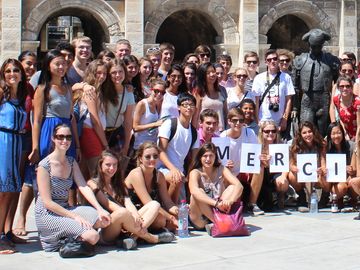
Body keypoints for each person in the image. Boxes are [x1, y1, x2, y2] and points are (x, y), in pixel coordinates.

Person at [35, 124, 110, 252]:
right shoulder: (44, 166)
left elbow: (83, 186)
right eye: (61, 137)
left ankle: (71, 234)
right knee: (93, 236)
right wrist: (74, 217)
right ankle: (60, 239)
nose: (65, 141)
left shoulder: (71, 161)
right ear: (53, 138)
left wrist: (99, 208)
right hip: (47, 214)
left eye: (68, 137)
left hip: (64, 208)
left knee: (103, 220)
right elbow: (47, 203)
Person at [88, 149, 175, 249]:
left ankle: (133, 237)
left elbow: (128, 203)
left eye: (115, 165)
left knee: (154, 204)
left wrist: (136, 215)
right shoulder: (93, 183)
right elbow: (109, 204)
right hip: (105, 228)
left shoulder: (119, 184)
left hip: (125, 225)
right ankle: (151, 238)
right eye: (108, 165)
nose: (112, 168)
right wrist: (132, 217)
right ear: (100, 165)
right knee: (122, 212)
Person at [29, 49, 80, 164]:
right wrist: (35, 147)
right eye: (57, 64)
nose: (61, 67)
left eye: (64, 64)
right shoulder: (42, 89)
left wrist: (77, 145)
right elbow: (36, 120)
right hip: (49, 131)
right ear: (48, 66)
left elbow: (72, 119)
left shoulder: (68, 88)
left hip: (67, 131)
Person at [0, 59, 28, 254]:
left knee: (11, 190)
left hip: (16, 143)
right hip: (3, 142)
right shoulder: (1, 94)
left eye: (16, 70)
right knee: (2, 191)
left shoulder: (21, 95)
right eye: (8, 71)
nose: (12, 74)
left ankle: (6, 231)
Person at [293, 28, 340, 137]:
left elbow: (337, 85)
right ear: (309, 45)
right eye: (313, 46)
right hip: (307, 98)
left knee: (322, 132)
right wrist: (295, 107)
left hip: (324, 98)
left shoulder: (331, 60)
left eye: (318, 46)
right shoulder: (300, 60)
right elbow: (295, 86)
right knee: (306, 129)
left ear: (322, 45)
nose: (316, 49)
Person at [125, 142, 179, 231]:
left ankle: (145, 232)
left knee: (174, 218)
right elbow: (148, 203)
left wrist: (178, 211)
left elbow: (167, 202)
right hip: (133, 213)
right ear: (140, 158)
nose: (152, 159)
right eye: (147, 157)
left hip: (149, 213)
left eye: (155, 156)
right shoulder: (136, 174)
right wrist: (171, 218)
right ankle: (136, 234)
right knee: (162, 219)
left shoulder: (159, 176)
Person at [188, 142, 243, 230]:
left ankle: (220, 222)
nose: (208, 159)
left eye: (211, 156)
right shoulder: (195, 172)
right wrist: (216, 204)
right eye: (205, 156)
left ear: (215, 157)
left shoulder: (221, 169)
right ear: (200, 158)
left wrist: (230, 201)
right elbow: (194, 191)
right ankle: (218, 222)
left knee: (232, 187)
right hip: (200, 217)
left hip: (218, 210)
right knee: (197, 193)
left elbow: (239, 186)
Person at [158, 93, 199, 202]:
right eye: (185, 105)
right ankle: (169, 211)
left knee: (183, 210)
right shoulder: (169, 124)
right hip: (162, 168)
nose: (188, 107)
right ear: (178, 107)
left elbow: (194, 158)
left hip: (180, 172)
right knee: (176, 180)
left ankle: (180, 218)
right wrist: (173, 169)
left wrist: (188, 174)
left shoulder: (194, 132)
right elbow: (160, 151)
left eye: (191, 105)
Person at [73, 59, 109, 178]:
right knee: (97, 173)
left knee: (85, 173)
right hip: (91, 133)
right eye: (99, 73)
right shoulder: (91, 91)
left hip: (90, 133)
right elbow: (94, 119)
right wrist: (105, 144)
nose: (102, 76)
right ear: (92, 73)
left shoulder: (95, 89)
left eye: (104, 73)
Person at [288, 121, 329, 212]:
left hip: (316, 174)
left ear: (313, 132)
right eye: (304, 133)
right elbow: (291, 163)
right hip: (302, 174)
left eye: (309, 131)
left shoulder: (321, 144)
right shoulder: (296, 145)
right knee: (291, 175)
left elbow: (323, 160)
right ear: (300, 134)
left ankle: (324, 198)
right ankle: (302, 197)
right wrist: (293, 168)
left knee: (325, 174)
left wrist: (322, 169)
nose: (307, 135)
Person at [250, 121, 289, 213]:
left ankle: (281, 196)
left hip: (275, 174)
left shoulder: (281, 145)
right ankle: (252, 203)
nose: (270, 133)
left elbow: (286, 165)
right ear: (262, 132)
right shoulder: (256, 146)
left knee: (283, 182)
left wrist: (283, 176)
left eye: (273, 131)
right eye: (267, 131)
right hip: (261, 176)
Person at [253, 49, 295, 133]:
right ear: (266, 62)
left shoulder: (286, 77)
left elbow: (288, 100)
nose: (272, 61)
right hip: (264, 119)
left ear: (278, 60)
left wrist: (285, 119)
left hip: (279, 120)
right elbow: (256, 101)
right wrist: (257, 120)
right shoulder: (259, 78)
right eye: (269, 60)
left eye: (275, 59)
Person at [103, 59, 135, 157]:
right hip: (100, 133)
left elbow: (128, 121)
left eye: (120, 71)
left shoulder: (128, 93)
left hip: (117, 133)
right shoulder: (102, 90)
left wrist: (126, 145)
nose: (117, 75)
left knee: (116, 167)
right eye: (113, 72)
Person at [326, 122, 356, 210]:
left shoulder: (351, 146)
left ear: (343, 133)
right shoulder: (327, 148)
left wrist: (352, 170)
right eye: (333, 134)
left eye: (339, 133)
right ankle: (334, 199)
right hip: (334, 181)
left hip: (349, 178)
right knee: (340, 188)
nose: (336, 136)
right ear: (329, 135)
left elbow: (356, 168)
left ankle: (353, 198)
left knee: (353, 180)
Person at [133, 79, 166, 151]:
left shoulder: (158, 104)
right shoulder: (142, 104)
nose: (159, 94)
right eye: (156, 91)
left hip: (152, 146)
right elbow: (135, 127)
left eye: (162, 92)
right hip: (140, 147)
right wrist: (154, 124)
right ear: (151, 89)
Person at [193, 62, 228, 131]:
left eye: (213, 72)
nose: (212, 75)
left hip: (220, 132)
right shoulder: (199, 92)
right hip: (204, 132)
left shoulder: (222, 90)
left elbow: (225, 112)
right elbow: (195, 115)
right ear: (203, 76)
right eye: (208, 73)